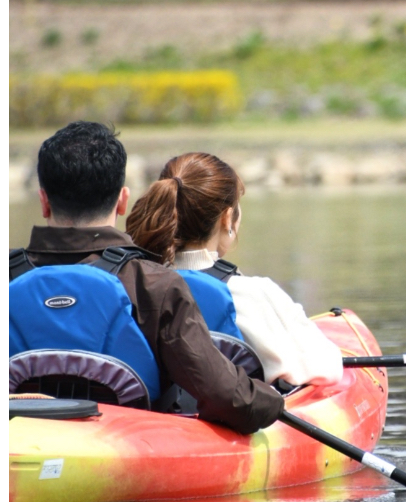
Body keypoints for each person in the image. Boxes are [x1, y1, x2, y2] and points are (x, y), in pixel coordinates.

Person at [9, 122, 283, 435]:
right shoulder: (156, 284)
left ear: (43, 201)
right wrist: (272, 401)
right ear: (123, 201)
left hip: (18, 441)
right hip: (127, 449)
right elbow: (226, 396)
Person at [126, 152, 344, 387]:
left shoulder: (133, 283)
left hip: (153, 415)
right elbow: (327, 367)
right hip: (236, 417)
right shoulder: (251, 293)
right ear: (227, 219)